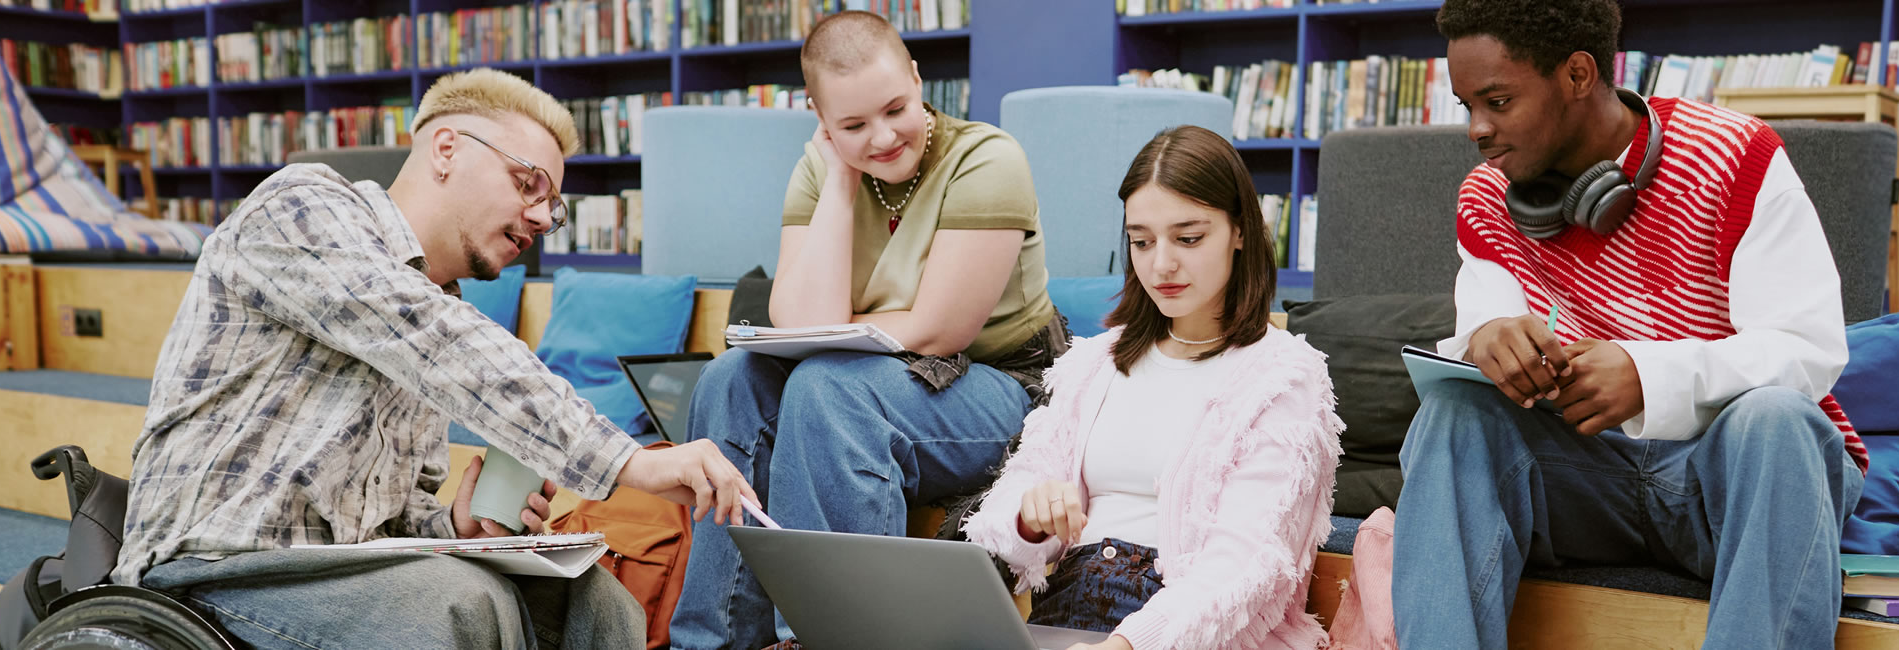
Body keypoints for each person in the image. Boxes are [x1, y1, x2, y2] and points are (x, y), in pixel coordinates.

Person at [110, 68, 756, 649]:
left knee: (596, 603)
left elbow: (393, 517)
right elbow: (437, 340)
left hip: (339, 572)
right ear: (446, 149)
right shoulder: (302, 206)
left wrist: (454, 523)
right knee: (462, 605)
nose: (539, 217)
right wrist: (630, 462)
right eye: (527, 184)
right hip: (207, 568)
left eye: (551, 206)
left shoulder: (440, 302)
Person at [1393, 1, 1867, 647]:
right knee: (1454, 412)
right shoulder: (1488, 195)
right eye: (1467, 106)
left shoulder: (1734, 156)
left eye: (1498, 101)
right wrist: (1488, 338)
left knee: (1778, 417)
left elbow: (1808, 351)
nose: (1478, 129)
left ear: (1578, 74)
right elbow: (1484, 321)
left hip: (1732, 484)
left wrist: (1647, 375)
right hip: (1587, 481)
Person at [670, 10, 1067, 649]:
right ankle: (712, 641)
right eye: (853, 125)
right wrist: (840, 181)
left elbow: (939, 330)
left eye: (896, 109)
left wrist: (838, 328)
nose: (882, 137)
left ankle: (830, 637)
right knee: (730, 380)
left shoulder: (987, 158)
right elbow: (801, 321)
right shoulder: (820, 170)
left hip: (1002, 385)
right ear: (819, 116)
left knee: (829, 388)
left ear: (916, 77)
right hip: (876, 376)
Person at [964, 125, 1343, 650]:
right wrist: (1030, 518)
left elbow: (1243, 568)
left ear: (1240, 230)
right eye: (1141, 241)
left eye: (1188, 238)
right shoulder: (1095, 362)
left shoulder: (1283, 376)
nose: (1161, 264)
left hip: (1189, 635)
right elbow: (1007, 507)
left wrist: (1129, 644)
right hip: (1067, 617)